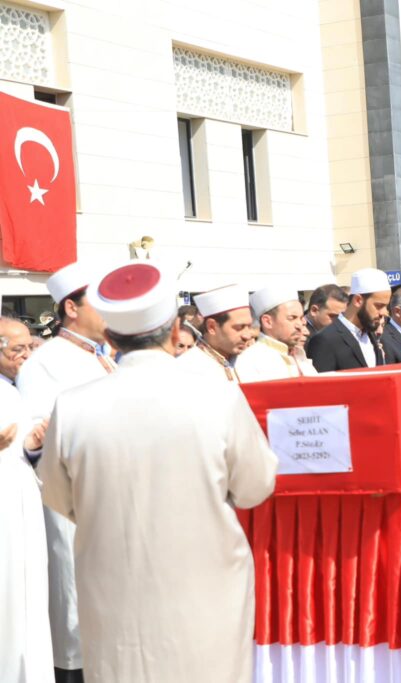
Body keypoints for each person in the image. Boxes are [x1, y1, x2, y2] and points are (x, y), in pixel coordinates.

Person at [38, 261, 278, 683]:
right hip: (206, 590)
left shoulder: (73, 406)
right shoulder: (217, 397)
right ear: (173, 333)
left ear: (110, 336)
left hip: (114, 590)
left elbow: (58, 497)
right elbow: (256, 486)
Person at [17, 262, 114, 683]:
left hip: (114, 499)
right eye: (100, 303)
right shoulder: (45, 363)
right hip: (75, 503)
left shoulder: (106, 357)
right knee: (77, 608)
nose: (109, 313)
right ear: (71, 308)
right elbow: (36, 436)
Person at [0, 317, 53, 681]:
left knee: (27, 599)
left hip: (21, 505)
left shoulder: (13, 389)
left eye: (28, 347)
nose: (24, 356)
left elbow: (17, 450)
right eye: (16, 349)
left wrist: (33, 445)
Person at [308, 268, 391, 371]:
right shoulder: (325, 340)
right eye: (379, 306)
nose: (384, 313)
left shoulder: (371, 335)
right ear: (358, 300)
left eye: (386, 306)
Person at [235, 287, 316, 381]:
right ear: (267, 322)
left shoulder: (300, 355)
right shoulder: (250, 361)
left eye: (301, 318)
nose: (299, 325)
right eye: (292, 318)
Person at [178, 285, 253, 382]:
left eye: (249, 326)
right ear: (212, 327)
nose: (247, 336)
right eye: (239, 328)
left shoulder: (256, 362)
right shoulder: (186, 370)